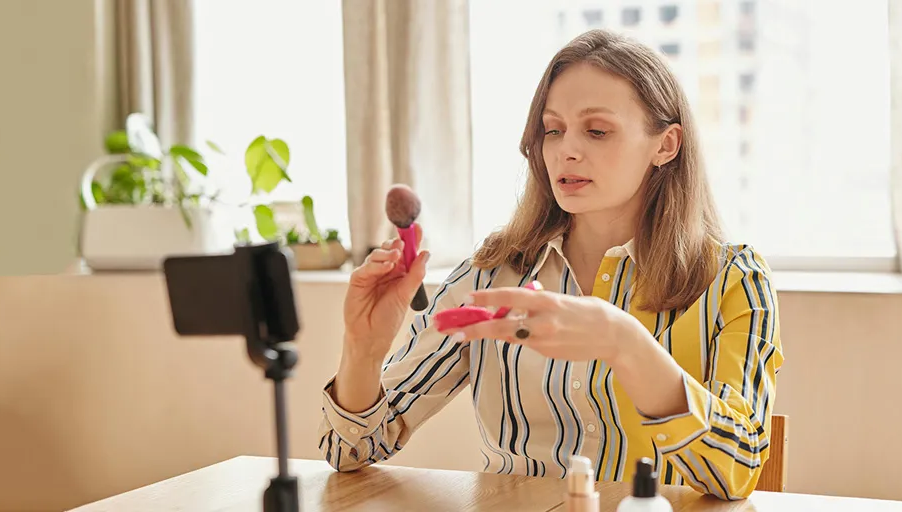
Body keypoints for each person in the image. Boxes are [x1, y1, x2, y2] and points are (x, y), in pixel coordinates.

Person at [317, 28, 784, 500]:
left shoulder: (733, 279)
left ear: (665, 145)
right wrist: (363, 348)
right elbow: (350, 451)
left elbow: (737, 467)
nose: (567, 150)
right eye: (552, 130)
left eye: (597, 130)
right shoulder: (491, 274)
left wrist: (624, 342)